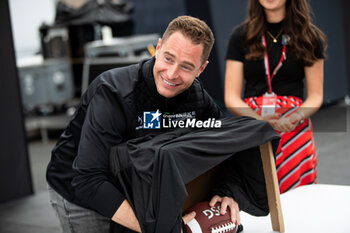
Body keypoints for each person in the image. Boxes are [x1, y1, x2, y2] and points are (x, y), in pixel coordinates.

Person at [46, 15, 240, 233]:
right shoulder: (114, 93)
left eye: (186, 67)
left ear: (201, 69)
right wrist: (162, 229)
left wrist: (226, 192)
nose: (172, 74)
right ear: (158, 48)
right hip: (81, 190)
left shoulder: (197, 98)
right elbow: (88, 181)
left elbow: (226, 146)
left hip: (135, 192)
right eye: (168, 58)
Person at [224, 0, 327, 193]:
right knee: (255, 192)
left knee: (298, 198)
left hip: (293, 124)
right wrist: (259, 121)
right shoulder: (241, 36)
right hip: (253, 123)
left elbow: (315, 96)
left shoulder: (309, 37)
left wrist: (295, 117)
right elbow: (231, 97)